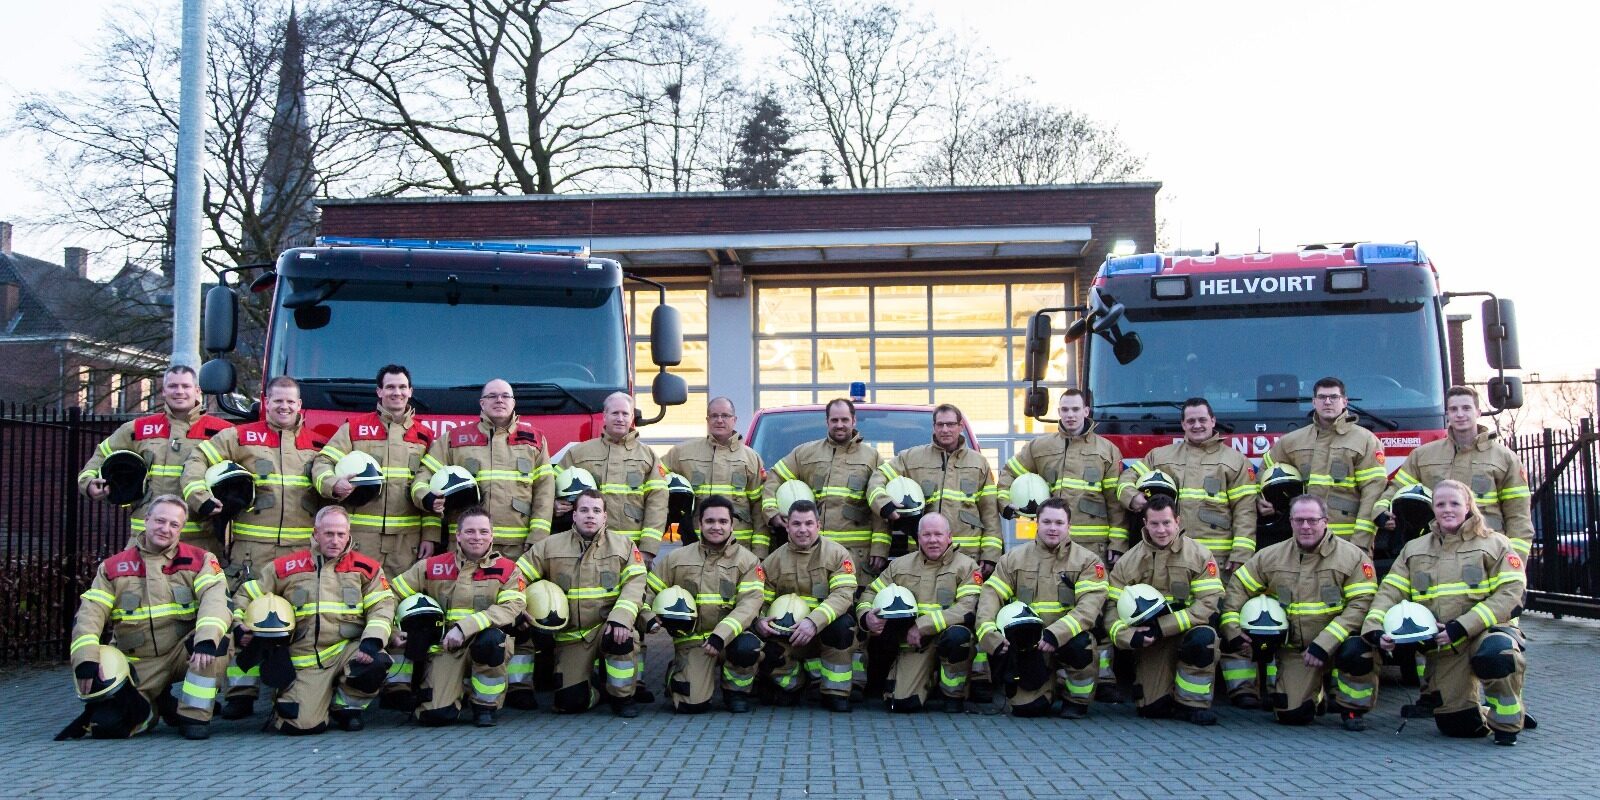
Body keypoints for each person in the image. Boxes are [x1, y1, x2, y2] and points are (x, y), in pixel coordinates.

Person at [1359, 479, 1529, 745]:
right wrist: (1375, 629)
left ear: (1468, 506)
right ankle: (1483, 713)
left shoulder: (1496, 544)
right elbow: (1388, 594)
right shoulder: (1414, 550)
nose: (1447, 509)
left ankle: (1507, 724)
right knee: (1457, 725)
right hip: (1446, 645)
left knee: (1497, 656)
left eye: (1454, 503)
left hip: (1486, 632)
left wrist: (1462, 627)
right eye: (1440, 504)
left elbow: (1511, 593)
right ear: (1433, 509)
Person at [1120, 397, 1258, 705]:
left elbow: (1245, 510)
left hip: (1220, 559)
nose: (1197, 425)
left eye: (1202, 420)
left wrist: (1242, 552)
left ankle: (1242, 687)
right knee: (1176, 614)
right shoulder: (1160, 456)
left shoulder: (1234, 461)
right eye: (1190, 420)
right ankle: (1174, 680)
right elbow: (1126, 477)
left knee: (1226, 615)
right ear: (1183, 424)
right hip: (1171, 554)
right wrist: (1133, 498)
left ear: (1213, 422)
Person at [65, 495, 231, 739]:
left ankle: (194, 716)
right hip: (138, 662)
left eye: (174, 524)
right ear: (146, 520)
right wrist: (85, 660)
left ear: (181, 529)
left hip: (183, 652)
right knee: (108, 726)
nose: (165, 529)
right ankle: (156, 708)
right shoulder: (112, 568)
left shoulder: (202, 561)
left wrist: (206, 639)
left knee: (219, 644)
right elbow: (89, 615)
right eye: (160, 521)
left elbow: (216, 602)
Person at [1000, 388, 1126, 703]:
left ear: (1087, 412)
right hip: (1052, 546)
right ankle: (1053, 673)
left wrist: (1118, 541)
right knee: (1053, 603)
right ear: (1059, 412)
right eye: (1064, 409)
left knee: (1097, 611)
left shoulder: (1107, 451)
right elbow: (1008, 474)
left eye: (1075, 409)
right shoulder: (1040, 447)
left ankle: (1104, 677)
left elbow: (1115, 503)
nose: (1069, 415)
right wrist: (1006, 503)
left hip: (1092, 546)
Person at [231, 506, 396, 734]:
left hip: (348, 650)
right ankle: (305, 700)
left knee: (376, 663)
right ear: (316, 533)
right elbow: (245, 595)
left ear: (349, 534)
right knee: (299, 725)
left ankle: (346, 708)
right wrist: (239, 625)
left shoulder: (367, 569)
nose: (335, 541)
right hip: (304, 658)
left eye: (341, 534)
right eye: (329, 534)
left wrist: (373, 641)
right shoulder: (285, 567)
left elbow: (383, 607)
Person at [1221, 495, 1378, 729]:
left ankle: (1353, 710)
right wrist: (1232, 630)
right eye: (1299, 520)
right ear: (1291, 522)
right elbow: (1238, 588)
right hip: (1297, 650)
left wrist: (1324, 644)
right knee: (1292, 715)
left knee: (1358, 652)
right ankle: (1315, 695)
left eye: (1312, 520)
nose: (1306, 526)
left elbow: (1362, 604)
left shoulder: (1352, 557)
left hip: (1338, 643)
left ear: (1325, 521)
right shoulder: (1271, 556)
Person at [391, 505, 527, 727]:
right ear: (458, 535)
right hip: (446, 647)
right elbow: (390, 594)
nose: (477, 537)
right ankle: (455, 693)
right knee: (434, 715)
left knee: (492, 642)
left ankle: (485, 706)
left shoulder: (508, 570)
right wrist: (392, 630)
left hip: (484, 641)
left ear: (492, 535)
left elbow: (512, 607)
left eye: (483, 532)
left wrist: (465, 627)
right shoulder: (432, 566)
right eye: (470, 531)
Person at [516, 489, 649, 717]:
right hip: (572, 636)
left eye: (596, 510)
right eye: (584, 510)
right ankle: (598, 692)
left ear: (604, 516)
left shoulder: (624, 546)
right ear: (574, 515)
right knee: (569, 703)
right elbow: (517, 576)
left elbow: (635, 585)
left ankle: (622, 698)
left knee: (623, 639)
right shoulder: (549, 546)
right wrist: (518, 606)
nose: (590, 515)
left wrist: (621, 620)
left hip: (607, 627)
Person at [77, 365, 232, 555]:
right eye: (173, 386)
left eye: (185, 386)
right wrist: (88, 484)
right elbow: (101, 454)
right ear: (163, 391)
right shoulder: (138, 429)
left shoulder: (222, 431)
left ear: (197, 390)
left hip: (200, 539)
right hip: (145, 538)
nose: (179, 391)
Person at [182, 375, 327, 576]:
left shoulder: (318, 444)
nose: (284, 406)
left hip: (301, 552)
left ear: (299, 404)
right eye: (278, 400)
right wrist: (200, 497)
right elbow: (198, 459)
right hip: (251, 553)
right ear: (266, 402)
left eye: (290, 401)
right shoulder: (240, 437)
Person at [975, 498, 1107, 718]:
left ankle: (1076, 699)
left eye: (1059, 523)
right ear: (1037, 522)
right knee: (1028, 709)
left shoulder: (1088, 561)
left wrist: (1056, 633)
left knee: (1081, 645)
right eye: (1047, 522)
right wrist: (988, 631)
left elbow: (1089, 608)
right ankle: (1048, 689)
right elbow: (991, 595)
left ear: (1069, 525)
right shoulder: (1013, 559)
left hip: (1068, 639)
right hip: (1029, 643)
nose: (1053, 528)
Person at [311, 364, 441, 579]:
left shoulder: (424, 436)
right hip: (361, 539)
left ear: (410, 391)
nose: (397, 392)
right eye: (390, 387)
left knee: (398, 595)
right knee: (355, 592)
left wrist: (430, 535)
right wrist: (334, 484)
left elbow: (430, 486)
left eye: (402, 387)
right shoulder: (354, 428)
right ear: (379, 391)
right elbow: (322, 462)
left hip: (405, 543)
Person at [1105, 495, 1224, 725]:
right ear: (1145, 524)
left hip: (1188, 632)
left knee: (1203, 639)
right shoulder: (1128, 562)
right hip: (1152, 642)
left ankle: (1192, 704)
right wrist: (1129, 636)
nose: (1161, 530)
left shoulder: (1200, 555)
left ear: (1177, 521)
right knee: (1152, 709)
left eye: (1166, 523)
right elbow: (1111, 609)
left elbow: (1209, 603)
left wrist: (1163, 626)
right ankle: (1165, 698)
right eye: (1155, 523)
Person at [1374, 385, 1532, 557]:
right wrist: (1381, 511)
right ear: (1447, 414)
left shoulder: (1505, 458)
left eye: (1466, 408)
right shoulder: (1422, 455)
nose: (1460, 414)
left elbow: (1518, 516)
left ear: (1478, 412)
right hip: (1437, 550)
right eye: (1453, 409)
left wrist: (1515, 561)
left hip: (1487, 551)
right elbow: (1396, 489)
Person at [644, 495, 766, 713]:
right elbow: (648, 591)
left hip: (731, 639)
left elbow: (749, 605)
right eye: (710, 521)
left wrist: (720, 635)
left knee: (748, 648)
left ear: (731, 525)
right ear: (699, 524)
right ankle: (676, 672)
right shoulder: (676, 558)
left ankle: (735, 692)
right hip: (693, 642)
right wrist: (648, 618)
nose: (716, 527)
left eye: (722, 521)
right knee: (690, 705)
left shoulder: (748, 561)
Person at [412, 378, 554, 559]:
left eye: (505, 396)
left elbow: (545, 491)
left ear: (513, 402)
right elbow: (424, 475)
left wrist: (538, 536)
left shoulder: (535, 440)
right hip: (465, 546)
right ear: (482, 403)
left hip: (516, 548)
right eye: (492, 396)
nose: (499, 400)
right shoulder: (453, 439)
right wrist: (427, 497)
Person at [857, 512, 983, 713]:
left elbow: (968, 608)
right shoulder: (900, 565)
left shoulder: (967, 566)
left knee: (958, 638)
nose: (932, 540)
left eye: (938, 534)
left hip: (946, 636)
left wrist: (922, 625)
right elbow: (870, 593)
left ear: (949, 537)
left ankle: (953, 694)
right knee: (902, 703)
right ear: (918, 537)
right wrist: (867, 616)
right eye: (926, 535)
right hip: (915, 644)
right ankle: (930, 680)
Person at [868, 403, 1002, 571]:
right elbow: (878, 477)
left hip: (966, 558)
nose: (945, 429)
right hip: (920, 556)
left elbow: (990, 513)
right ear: (934, 427)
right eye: (940, 424)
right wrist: (883, 503)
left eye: (950, 424)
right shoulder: (910, 458)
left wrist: (990, 555)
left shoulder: (979, 463)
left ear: (960, 426)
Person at [755, 499, 859, 712]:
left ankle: (835, 692)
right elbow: (761, 601)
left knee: (843, 626)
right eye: (796, 524)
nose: (803, 529)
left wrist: (813, 622)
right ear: (787, 526)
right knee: (761, 650)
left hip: (823, 633)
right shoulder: (772, 562)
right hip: (787, 637)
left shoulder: (838, 554)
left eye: (809, 523)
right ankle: (796, 685)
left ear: (818, 525)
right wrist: (760, 620)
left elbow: (843, 595)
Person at [1260, 377, 1386, 553]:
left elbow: (1373, 494)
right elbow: (1263, 471)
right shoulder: (1292, 441)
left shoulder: (1365, 441)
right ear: (1314, 402)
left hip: (1348, 544)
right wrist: (1261, 500)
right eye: (1322, 397)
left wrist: (1361, 543)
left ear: (1345, 401)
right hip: (1303, 542)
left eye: (1333, 397)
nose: (1327, 402)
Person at [761, 397, 887, 572]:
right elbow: (774, 478)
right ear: (827, 421)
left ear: (854, 420)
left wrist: (880, 548)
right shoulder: (805, 454)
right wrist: (771, 512)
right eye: (834, 420)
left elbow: (880, 509)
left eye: (844, 420)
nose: (839, 425)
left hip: (856, 556)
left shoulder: (872, 458)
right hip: (810, 552)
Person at [661, 397, 768, 554]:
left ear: (734, 420)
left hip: (739, 551)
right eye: (714, 416)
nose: (719, 420)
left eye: (725, 415)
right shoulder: (683, 453)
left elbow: (759, 509)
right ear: (707, 420)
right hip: (695, 548)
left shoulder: (751, 459)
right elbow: (654, 478)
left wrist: (759, 553)